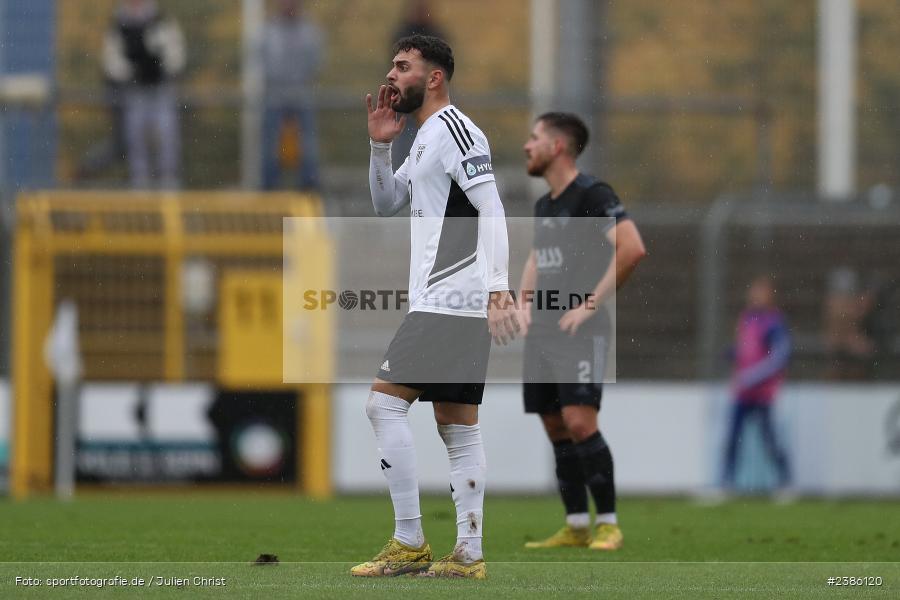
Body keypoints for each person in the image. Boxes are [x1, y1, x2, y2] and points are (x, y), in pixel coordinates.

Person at [352, 35, 518, 580]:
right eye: (392, 66)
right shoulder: (423, 138)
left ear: (435, 77)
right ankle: (467, 553)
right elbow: (385, 205)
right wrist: (381, 147)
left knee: (383, 406)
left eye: (403, 67)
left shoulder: (456, 130)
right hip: (448, 298)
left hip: (452, 295)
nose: (392, 76)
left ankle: (408, 542)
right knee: (457, 424)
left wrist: (498, 286)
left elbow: (491, 208)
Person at [517, 113, 646, 551]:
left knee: (579, 420)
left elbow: (632, 249)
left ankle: (608, 523)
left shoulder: (592, 194)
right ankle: (575, 525)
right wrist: (522, 303)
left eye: (534, 138)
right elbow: (537, 259)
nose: (526, 146)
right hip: (543, 331)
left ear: (557, 147)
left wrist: (590, 304)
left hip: (581, 331)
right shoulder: (544, 205)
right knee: (555, 424)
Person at [103, 0, 185, 189]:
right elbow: (112, 61)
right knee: (135, 139)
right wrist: (132, 70)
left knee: (167, 137)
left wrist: (160, 65)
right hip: (135, 90)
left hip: (161, 89)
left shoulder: (161, 20)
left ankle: (168, 186)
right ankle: (140, 187)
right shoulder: (119, 25)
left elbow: (175, 53)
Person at [722, 275, 791, 492]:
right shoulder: (747, 319)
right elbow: (745, 350)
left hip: (763, 393)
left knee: (770, 438)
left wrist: (750, 376)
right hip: (743, 392)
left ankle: (785, 481)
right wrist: (732, 354)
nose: (755, 296)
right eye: (754, 291)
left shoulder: (774, 323)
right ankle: (727, 482)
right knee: (733, 437)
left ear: (770, 296)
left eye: (760, 292)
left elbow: (779, 358)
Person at [261, 0, 325, 190]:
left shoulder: (309, 31)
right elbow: (263, 59)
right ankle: (269, 184)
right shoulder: (269, 30)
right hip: (275, 94)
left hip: (301, 92)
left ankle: (309, 184)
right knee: (270, 141)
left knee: (308, 140)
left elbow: (316, 60)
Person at [389, 0, 447, 171]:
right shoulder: (402, 35)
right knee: (405, 149)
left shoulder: (436, 34)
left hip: (429, 103)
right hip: (408, 104)